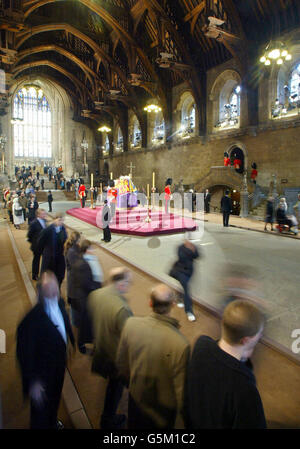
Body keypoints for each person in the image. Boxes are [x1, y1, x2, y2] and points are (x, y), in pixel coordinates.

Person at [117, 284, 190, 429]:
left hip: (136, 398)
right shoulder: (181, 344)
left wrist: (132, 383)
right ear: (173, 305)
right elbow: (181, 392)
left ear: (150, 303)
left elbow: (121, 364)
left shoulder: (131, 324)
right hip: (162, 412)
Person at [184, 300, 266, 429]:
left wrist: (243, 357)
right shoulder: (245, 388)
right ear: (245, 340)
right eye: (258, 334)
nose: (260, 336)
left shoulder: (201, 344)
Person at [16, 271, 74, 429]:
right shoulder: (30, 322)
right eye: (51, 289)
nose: (56, 291)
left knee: (55, 399)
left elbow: (64, 325)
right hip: (42, 377)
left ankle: (53, 421)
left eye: (56, 286)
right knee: (40, 412)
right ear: (41, 292)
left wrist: (69, 343)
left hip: (58, 367)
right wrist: (32, 382)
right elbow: (24, 355)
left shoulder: (60, 302)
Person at [88, 267, 133, 429]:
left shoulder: (96, 295)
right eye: (128, 282)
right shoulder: (122, 309)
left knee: (113, 386)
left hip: (100, 349)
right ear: (120, 283)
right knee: (116, 389)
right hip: (116, 358)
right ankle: (108, 420)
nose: (129, 285)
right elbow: (129, 338)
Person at [72, 240, 103, 352]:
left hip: (92, 294)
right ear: (86, 250)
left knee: (91, 321)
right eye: (91, 248)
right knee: (86, 322)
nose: (93, 250)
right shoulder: (82, 263)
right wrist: (96, 290)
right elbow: (85, 283)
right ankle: (82, 344)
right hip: (86, 297)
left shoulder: (89, 260)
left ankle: (92, 340)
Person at [169, 238, 200, 322]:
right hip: (180, 271)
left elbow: (197, 256)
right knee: (186, 289)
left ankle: (179, 298)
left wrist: (193, 250)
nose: (189, 242)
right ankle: (189, 311)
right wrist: (190, 250)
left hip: (189, 272)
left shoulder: (194, 247)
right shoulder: (180, 248)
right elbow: (182, 258)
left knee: (183, 285)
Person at [38, 213, 68, 287]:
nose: (61, 222)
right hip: (49, 258)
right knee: (47, 277)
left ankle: (57, 290)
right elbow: (40, 243)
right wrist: (45, 252)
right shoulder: (47, 230)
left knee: (60, 276)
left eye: (62, 220)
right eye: (59, 220)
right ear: (54, 220)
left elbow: (65, 240)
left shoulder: (63, 229)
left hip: (59, 257)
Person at [27, 209, 47, 280]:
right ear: (38, 215)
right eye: (43, 214)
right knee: (36, 260)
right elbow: (29, 235)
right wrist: (34, 243)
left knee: (46, 260)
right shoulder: (34, 223)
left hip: (45, 246)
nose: (45, 215)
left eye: (45, 214)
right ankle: (35, 274)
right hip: (37, 246)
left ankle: (44, 274)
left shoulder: (45, 221)